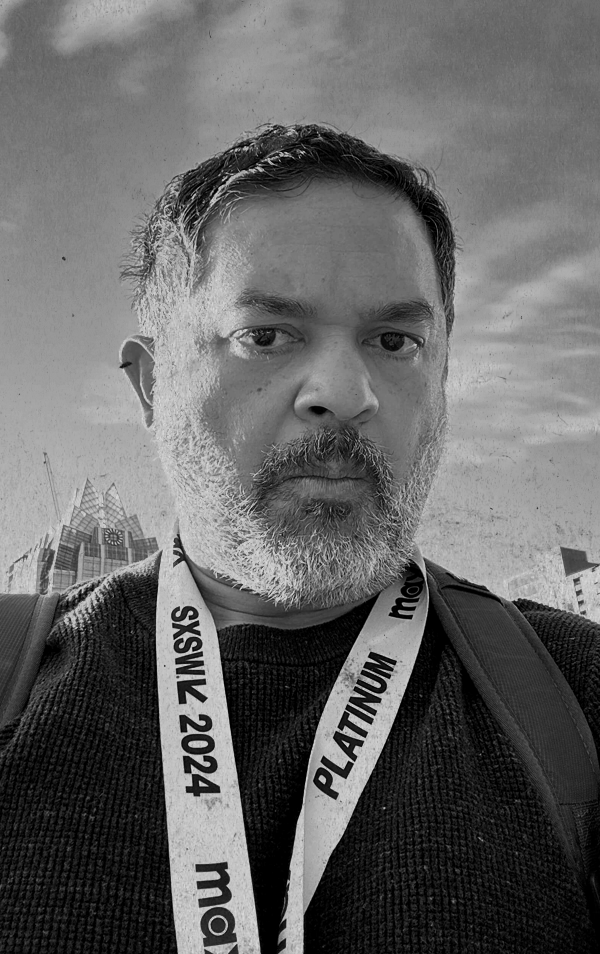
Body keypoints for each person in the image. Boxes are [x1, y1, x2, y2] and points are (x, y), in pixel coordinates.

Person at [1, 123, 599, 954]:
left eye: (396, 342)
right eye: (267, 335)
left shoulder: (580, 695)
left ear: (443, 381)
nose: (345, 392)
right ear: (151, 386)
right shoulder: (14, 687)